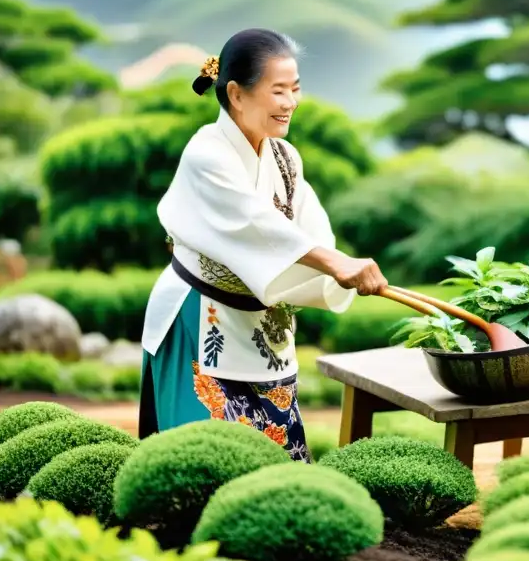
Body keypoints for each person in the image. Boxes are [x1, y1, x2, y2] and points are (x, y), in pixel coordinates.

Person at [139, 28, 388, 462]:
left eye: (295, 89)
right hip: (200, 319)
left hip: (261, 327)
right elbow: (256, 225)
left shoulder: (285, 157)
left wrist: (341, 266)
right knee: (203, 466)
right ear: (236, 94)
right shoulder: (207, 154)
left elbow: (308, 229)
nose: (290, 102)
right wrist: (336, 263)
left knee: (280, 465)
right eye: (278, 91)